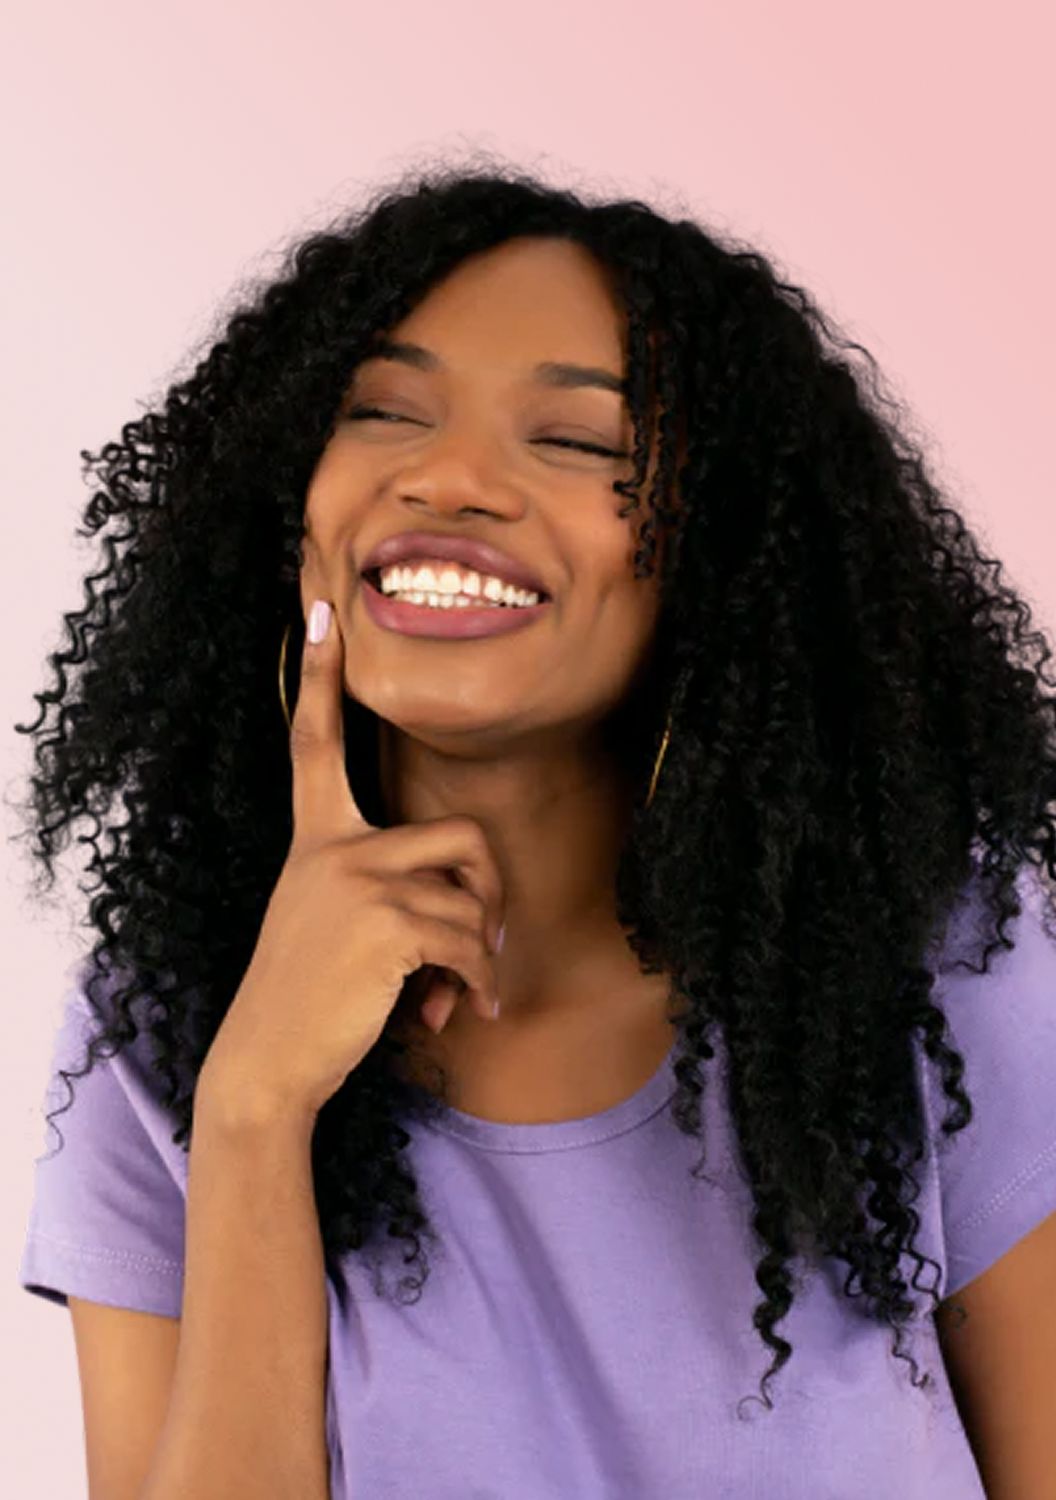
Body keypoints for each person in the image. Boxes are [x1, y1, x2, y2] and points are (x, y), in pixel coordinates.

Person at [15, 161, 1056, 1499]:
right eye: (381, 410)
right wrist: (256, 1111)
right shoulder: (169, 1025)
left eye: (574, 443)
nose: (449, 478)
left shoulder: (940, 962)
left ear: (718, 560)